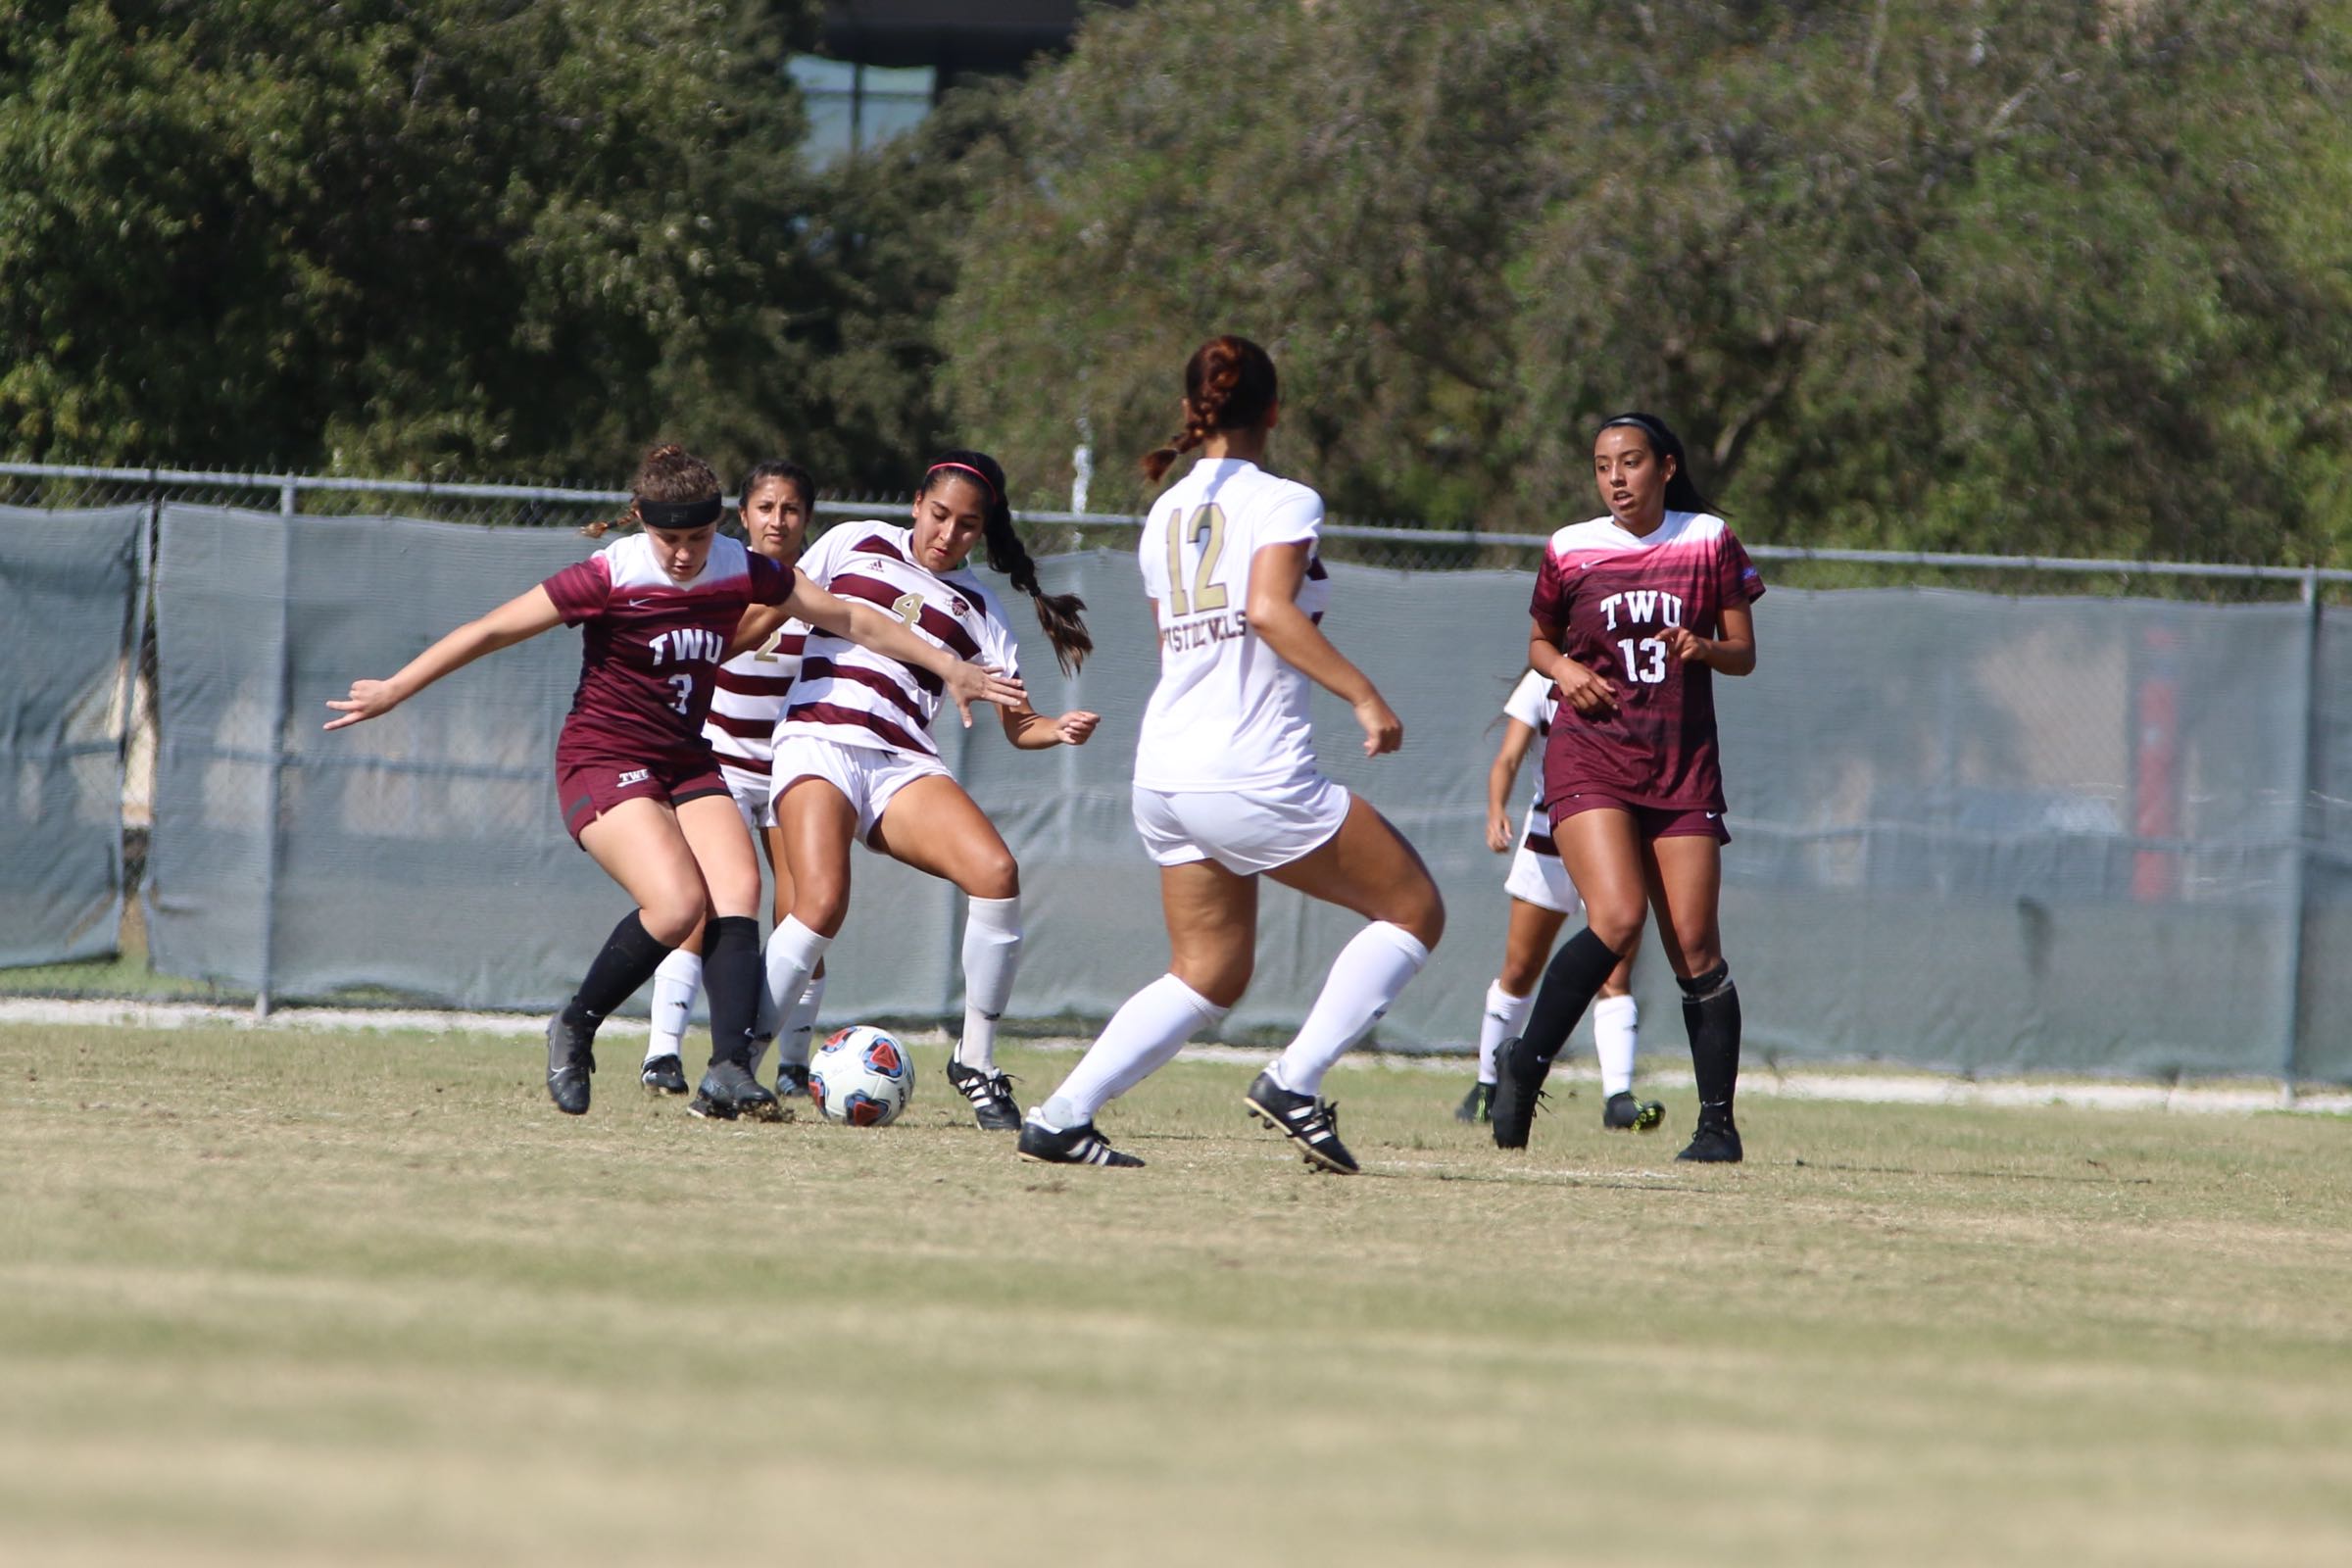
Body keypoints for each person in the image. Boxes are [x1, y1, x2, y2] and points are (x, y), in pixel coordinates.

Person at [324, 444, 1022, 1120]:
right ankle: (575, 1024)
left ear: (720, 524)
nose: (685, 554)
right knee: (679, 903)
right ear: (639, 522)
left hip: (687, 759)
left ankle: (728, 1069)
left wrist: (953, 668)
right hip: (603, 756)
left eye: (698, 535)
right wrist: (396, 688)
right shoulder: (610, 574)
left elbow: (849, 616)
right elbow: (489, 632)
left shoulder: (737, 566)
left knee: (740, 892)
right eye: (670, 540)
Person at [1017, 333, 1445, 1173]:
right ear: (1275, 412)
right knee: (1414, 911)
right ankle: (1296, 1081)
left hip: (1166, 772)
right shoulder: (1285, 500)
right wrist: (1364, 695)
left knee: (1209, 971)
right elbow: (1268, 611)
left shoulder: (1164, 511)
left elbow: (1177, 644)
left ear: (1189, 413)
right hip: (1247, 771)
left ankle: (1063, 1115)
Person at [745, 448, 1099, 1133]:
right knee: (819, 904)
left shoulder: (980, 609)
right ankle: (738, 1062)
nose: (947, 534)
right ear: (916, 503)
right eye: (939, 515)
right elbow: (773, 606)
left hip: (902, 763)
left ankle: (975, 1060)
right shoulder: (854, 541)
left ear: (982, 530)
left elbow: (1017, 724)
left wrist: (1053, 730)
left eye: (967, 526)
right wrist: (707, 652)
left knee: (997, 873)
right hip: (818, 738)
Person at [1490, 413, 1762, 1162]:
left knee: (1697, 948)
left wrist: (1706, 646)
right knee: (1616, 918)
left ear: (1666, 467)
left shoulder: (1707, 539)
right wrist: (1565, 670)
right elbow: (1540, 643)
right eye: (1603, 464)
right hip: (1593, 757)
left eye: (1631, 461)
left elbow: (1743, 653)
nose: (1615, 476)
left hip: (1680, 764)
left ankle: (1717, 1129)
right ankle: (1527, 1066)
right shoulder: (1571, 548)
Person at [631, 460, 832, 1099]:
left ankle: (793, 1060)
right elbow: (718, 644)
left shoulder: (816, 585)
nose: (779, 519)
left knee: (805, 909)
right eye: (766, 507)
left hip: (793, 764)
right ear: (742, 517)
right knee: (697, 902)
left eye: (792, 509)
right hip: (715, 754)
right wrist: (776, 607)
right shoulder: (723, 572)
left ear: (807, 518)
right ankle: (663, 1052)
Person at [1456, 667, 1662, 1134]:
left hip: (1613, 843)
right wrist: (1495, 812)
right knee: (1520, 969)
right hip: (1549, 838)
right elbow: (1508, 758)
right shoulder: (1543, 680)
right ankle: (1488, 1086)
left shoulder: (1630, 672)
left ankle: (1618, 1097)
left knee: (1615, 973)